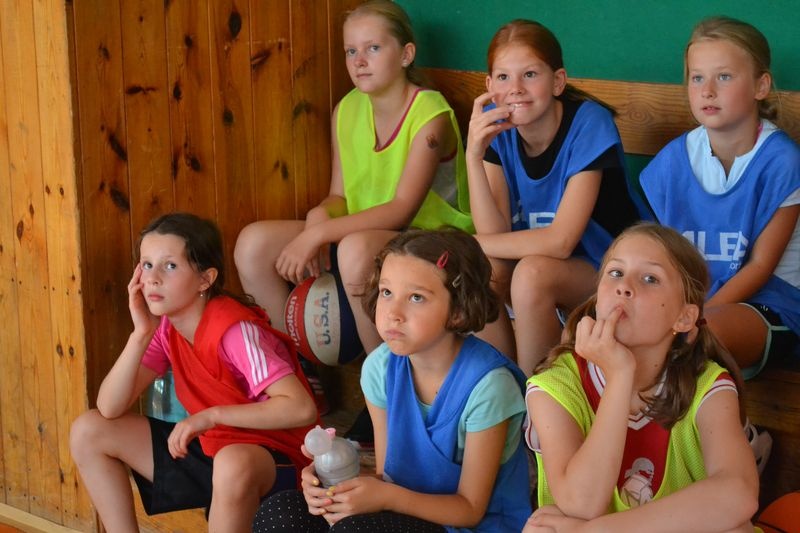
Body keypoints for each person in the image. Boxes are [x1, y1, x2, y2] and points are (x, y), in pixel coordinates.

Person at [234, 0, 473, 355]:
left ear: (406, 54)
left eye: (373, 48)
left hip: (435, 240)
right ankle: (294, 371)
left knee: (354, 249)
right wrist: (319, 216)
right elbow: (340, 196)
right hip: (367, 233)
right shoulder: (346, 109)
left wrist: (319, 234)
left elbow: (402, 210)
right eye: (350, 51)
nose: (359, 61)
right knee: (254, 244)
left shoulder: (430, 113)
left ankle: (383, 374)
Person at [253, 229, 531, 532]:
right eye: (386, 292)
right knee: (281, 513)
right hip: (406, 512)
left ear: (459, 311)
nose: (393, 313)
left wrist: (384, 497)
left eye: (416, 297)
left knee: (355, 530)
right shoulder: (380, 368)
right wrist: (329, 485)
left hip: (471, 525)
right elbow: (389, 478)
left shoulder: (489, 387)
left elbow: (470, 510)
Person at [69, 213, 319, 533]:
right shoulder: (166, 329)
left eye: (170, 266)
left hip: (273, 461)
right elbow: (109, 407)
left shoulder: (234, 331)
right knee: (89, 430)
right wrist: (140, 333)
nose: (153, 278)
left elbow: (300, 408)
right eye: (147, 265)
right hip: (213, 447)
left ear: (205, 279)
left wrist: (211, 416)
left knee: (231, 462)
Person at [523, 223, 759, 532]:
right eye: (616, 273)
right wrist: (620, 376)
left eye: (650, 278)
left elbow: (738, 494)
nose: (624, 286)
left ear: (684, 317)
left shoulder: (707, 384)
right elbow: (581, 504)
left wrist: (591, 531)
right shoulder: (555, 384)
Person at [465, 19, 647, 376]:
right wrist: (474, 155)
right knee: (483, 271)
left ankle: (535, 398)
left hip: (615, 270)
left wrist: (469, 243)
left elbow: (561, 242)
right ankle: (501, 391)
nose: (515, 89)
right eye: (503, 77)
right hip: (549, 268)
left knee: (531, 274)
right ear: (489, 87)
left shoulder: (589, 122)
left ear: (558, 81)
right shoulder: (494, 126)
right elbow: (494, 234)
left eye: (530, 74)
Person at [640, 16, 800, 379]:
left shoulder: (782, 161)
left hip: (769, 307)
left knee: (697, 337)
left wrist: (691, 316)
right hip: (691, 304)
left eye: (724, 77)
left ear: (761, 85)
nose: (707, 90)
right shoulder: (673, 159)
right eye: (697, 78)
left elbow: (759, 267)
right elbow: (660, 255)